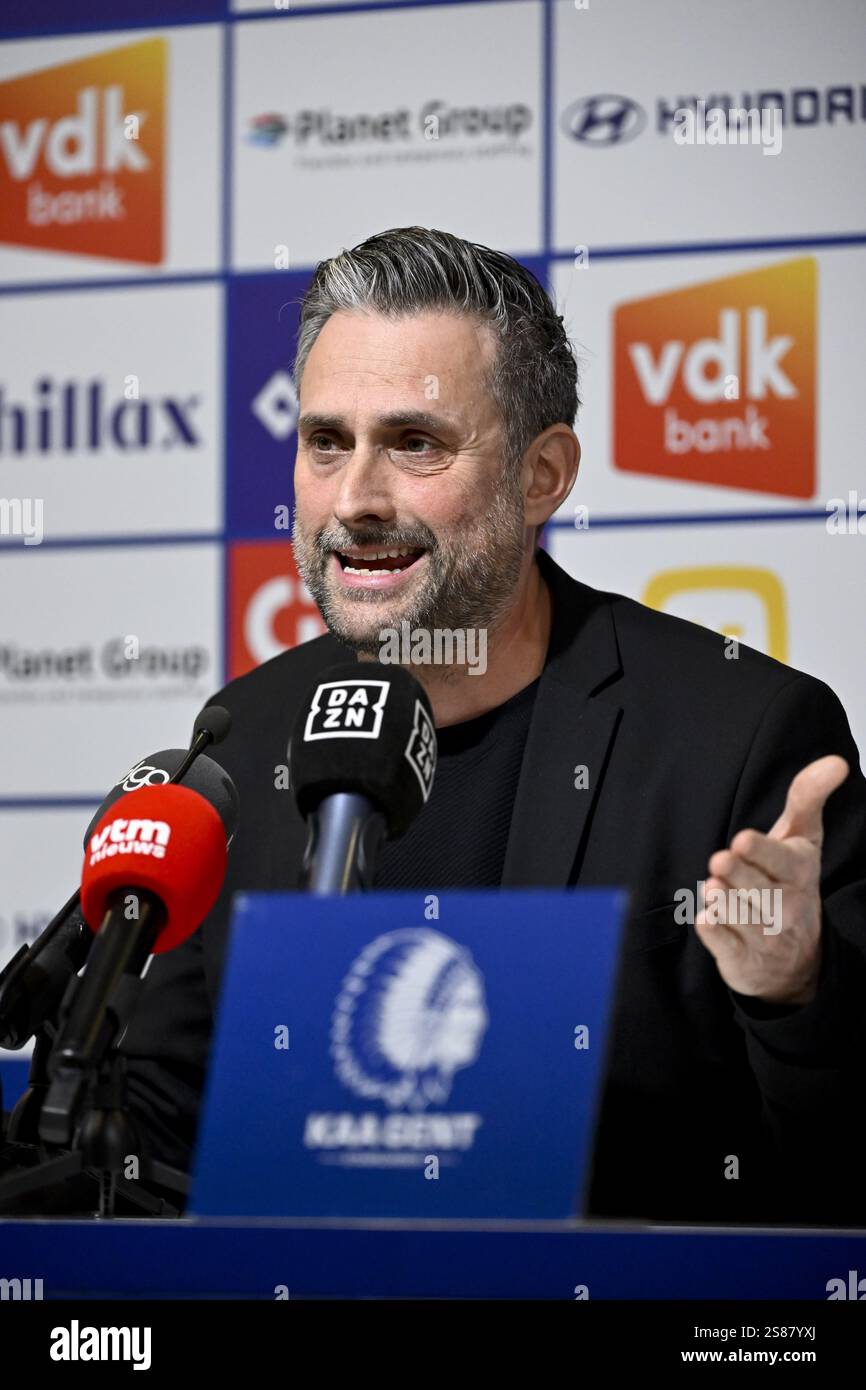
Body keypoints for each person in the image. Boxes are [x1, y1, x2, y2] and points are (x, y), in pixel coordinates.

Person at [120, 226, 866, 1225]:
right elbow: (160, 1127)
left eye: (413, 442)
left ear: (542, 474)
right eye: (325, 442)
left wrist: (793, 994)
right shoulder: (246, 735)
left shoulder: (738, 736)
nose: (354, 500)